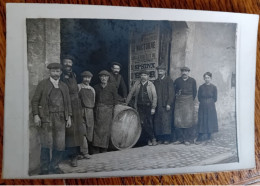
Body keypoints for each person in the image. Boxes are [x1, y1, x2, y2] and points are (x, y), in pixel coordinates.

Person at [31, 63, 72, 174]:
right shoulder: (43, 84)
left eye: (58, 71)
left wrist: (69, 117)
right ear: (50, 72)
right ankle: (44, 168)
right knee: (46, 143)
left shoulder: (64, 86)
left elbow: (68, 103)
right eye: (53, 71)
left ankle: (54, 166)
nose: (55, 73)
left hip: (60, 118)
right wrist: (36, 115)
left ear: (61, 72)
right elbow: (35, 101)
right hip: (47, 118)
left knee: (59, 144)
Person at [60, 55, 82, 167]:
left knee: (78, 130)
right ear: (63, 63)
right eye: (66, 62)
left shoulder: (74, 74)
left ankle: (77, 153)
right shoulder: (61, 76)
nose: (68, 64)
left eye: (70, 62)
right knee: (70, 131)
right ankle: (72, 157)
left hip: (76, 105)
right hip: (67, 104)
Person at [126, 70, 157, 146]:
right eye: (142, 75)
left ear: (148, 77)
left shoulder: (151, 84)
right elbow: (131, 93)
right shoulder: (137, 83)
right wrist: (126, 103)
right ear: (140, 76)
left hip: (148, 106)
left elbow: (155, 97)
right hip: (140, 106)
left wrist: (153, 107)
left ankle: (152, 138)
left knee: (149, 122)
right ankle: (150, 139)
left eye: (145, 75)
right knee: (142, 122)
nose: (143, 76)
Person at [92, 70, 117, 153]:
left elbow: (115, 99)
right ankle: (96, 149)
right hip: (98, 110)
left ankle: (104, 149)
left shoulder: (112, 87)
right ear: (99, 78)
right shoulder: (96, 87)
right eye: (102, 76)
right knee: (97, 129)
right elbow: (94, 100)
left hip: (108, 110)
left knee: (106, 130)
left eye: (105, 76)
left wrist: (112, 108)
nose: (103, 78)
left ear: (108, 78)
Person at [173, 66, 197, 145]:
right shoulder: (177, 81)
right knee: (178, 120)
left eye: (186, 71)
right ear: (181, 72)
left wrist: (189, 100)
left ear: (188, 72)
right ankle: (180, 139)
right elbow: (174, 91)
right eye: (183, 71)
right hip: (179, 102)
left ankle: (187, 139)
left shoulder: (192, 81)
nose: (184, 73)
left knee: (188, 120)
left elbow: (194, 92)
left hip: (189, 101)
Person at [153, 64, 175, 145]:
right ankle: (161, 139)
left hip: (166, 105)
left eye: (161, 70)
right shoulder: (156, 81)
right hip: (158, 105)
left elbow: (171, 93)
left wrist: (169, 103)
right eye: (158, 71)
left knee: (166, 122)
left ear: (165, 72)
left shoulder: (169, 80)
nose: (160, 72)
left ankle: (167, 139)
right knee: (159, 122)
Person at [195, 72, 218, 144]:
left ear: (211, 78)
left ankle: (209, 135)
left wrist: (209, 102)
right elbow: (199, 97)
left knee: (210, 119)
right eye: (205, 78)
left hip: (211, 106)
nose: (207, 79)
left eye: (208, 78)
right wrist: (204, 102)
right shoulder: (201, 87)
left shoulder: (214, 87)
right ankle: (201, 134)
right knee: (202, 119)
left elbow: (215, 98)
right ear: (204, 78)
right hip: (203, 105)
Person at [78, 71, 95, 158]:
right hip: (81, 111)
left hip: (90, 111)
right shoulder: (79, 87)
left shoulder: (92, 89)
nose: (87, 79)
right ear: (82, 78)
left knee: (90, 131)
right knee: (82, 131)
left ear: (90, 79)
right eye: (85, 77)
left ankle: (86, 151)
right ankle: (84, 152)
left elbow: (94, 101)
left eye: (88, 78)